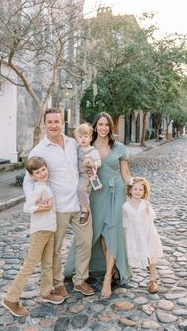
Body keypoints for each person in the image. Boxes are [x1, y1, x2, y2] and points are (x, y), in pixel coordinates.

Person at [23, 108, 94, 299]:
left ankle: (80, 280)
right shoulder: (39, 150)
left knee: (86, 242)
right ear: (44, 124)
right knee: (55, 249)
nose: (54, 125)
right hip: (57, 209)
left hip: (80, 205)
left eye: (57, 121)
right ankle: (57, 282)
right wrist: (35, 203)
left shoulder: (73, 143)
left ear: (62, 123)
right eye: (50, 122)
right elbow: (28, 180)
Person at [65, 112, 132, 299]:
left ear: (111, 127)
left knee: (112, 231)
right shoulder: (87, 146)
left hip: (115, 192)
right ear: (95, 127)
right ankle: (82, 270)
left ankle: (108, 277)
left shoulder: (119, 148)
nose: (103, 128)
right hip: (94, 193)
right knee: (97, 233)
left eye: (106, 125)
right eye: (100, 124)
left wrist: (136, 188)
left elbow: (126, 174)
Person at [2, 156, 64, 318]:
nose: (42, 173)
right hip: (40, 231)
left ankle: (46, 291)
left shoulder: (45, 185)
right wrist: (42, 208)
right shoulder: (38, 188)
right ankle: (10, 298)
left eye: (44, 169)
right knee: (30, 265)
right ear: (32, 175)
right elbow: (27, 207)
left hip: (49, 229)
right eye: (38, 172)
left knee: (47, 263)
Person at [123, 176, 163, 293]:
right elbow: (124, 222)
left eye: (141, 190)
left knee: (152, 254)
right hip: (134, 235)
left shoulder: (146, 204)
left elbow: (151, 219)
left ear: (144, 192)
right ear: (130, 190)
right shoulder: (125, 206)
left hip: (148, 233)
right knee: (137, 254)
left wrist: (148, 212)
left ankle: (152, 280)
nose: (137, 192)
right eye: (135, 189)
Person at [74, 123, 102, 226]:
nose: (83, 139)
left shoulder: (93, 151)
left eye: (85, 136)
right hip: (77, 173)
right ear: (77, 139)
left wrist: (92, 163)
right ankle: (79, 206)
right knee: (77, 190)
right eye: (80, 137)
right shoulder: (76, 149)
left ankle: (85, 209)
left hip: (86, 174)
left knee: (81, 189)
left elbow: (99, 162)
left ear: (90, 138)